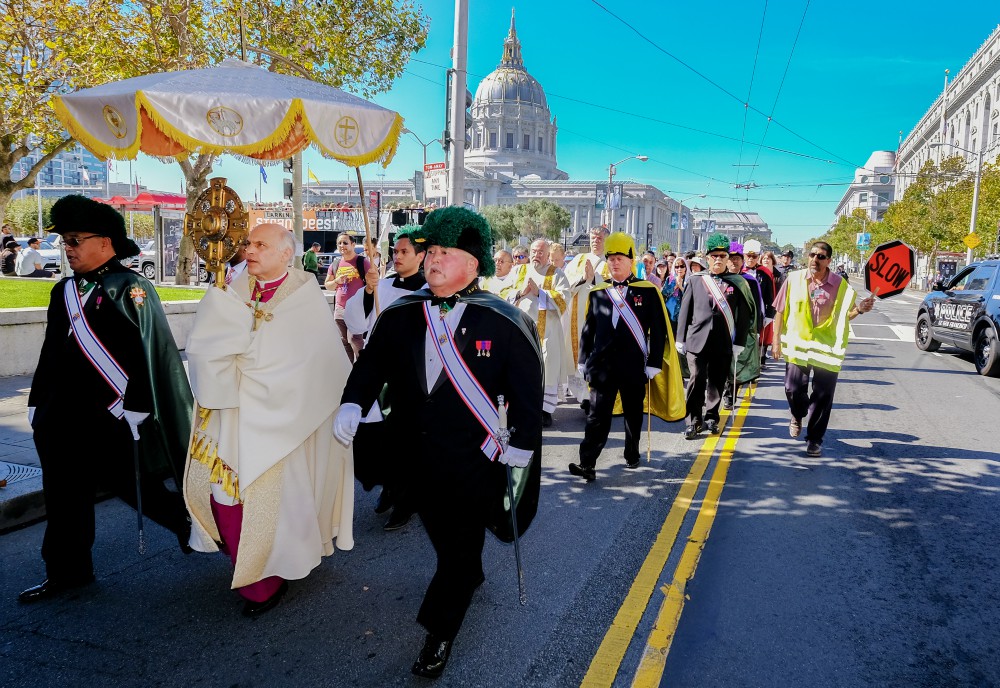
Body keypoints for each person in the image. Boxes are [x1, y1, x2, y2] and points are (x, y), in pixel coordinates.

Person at [332, 206, 543, 679]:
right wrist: (352, 402)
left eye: (446, 252)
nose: (433, 260)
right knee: (448, 541)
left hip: (474, 462)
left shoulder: (503, 321)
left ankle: (439, 632)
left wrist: (522, 446)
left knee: (458, 553)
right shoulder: (402, 313)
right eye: (432, 251)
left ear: (473, 264)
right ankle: (467, 571)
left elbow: (527, 395)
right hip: (413, 457)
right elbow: (371, 367)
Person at [20, 195, 193, 603]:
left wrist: (137, 404)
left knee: (136, 486)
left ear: (106, 241)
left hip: (112, 414)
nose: (69, 248)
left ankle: (190, 526)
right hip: (61, 417)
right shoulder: (62, 292)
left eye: (75, 239)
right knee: (63, 498)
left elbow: (148, 350)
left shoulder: (130, 286)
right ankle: (67, 571)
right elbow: (51, 352)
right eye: (65, 240)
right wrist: (37, 400)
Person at [183, 222, 355, 617]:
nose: (250, 249)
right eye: (247, 243)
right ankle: (248, 566)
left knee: (281, 504)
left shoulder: (304, 295)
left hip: (284, 422)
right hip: (232, 415)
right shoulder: (232, 288)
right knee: (226, 497)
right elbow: (210, 348)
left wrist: (246, 359)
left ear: (285, 253)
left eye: (261, 244)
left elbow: (313, 362)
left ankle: (269, 579)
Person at [344, 225, 427, 532]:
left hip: (411, 377)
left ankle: (406, 500)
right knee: (375, 440)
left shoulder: (430, 291)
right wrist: (368, 291)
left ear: (421, 255)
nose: (398, 256)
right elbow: (356, 321)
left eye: (405, 251)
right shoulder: (383, 283)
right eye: (395, 251)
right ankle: (388, 487)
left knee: (406, 442)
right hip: (380, 372)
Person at [569, 233, 670, 482]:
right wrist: (583, 359)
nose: (614, 263)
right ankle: (587, 463)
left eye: (619, 258)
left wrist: (654, 363)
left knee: (633, 413)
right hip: (602, 366)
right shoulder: (599, 292)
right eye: (611, 259)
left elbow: (658, 331)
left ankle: (632, 452)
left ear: (630, 260)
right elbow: (588, 329)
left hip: (633, 365)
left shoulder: (647, 292)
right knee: (596, 416)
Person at [772, 241, 875, 457]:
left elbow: (847, 316)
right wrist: (775, 341)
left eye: (820, 257)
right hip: (797, 347)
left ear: (828, 261)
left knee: (823, 396)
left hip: (827, 350)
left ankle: (815, 439)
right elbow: (780, 311)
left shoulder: (841, 285)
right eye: (812, 255)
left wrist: (860, 309)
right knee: (793, 389)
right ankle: (797, 414)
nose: (815, 260)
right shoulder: (794, 279)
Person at [675, 233, 754, 441]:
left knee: (717, 382)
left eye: (722, 255)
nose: (718, 259)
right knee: (696, 379)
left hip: (723, 341)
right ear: (707, 258)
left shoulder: (737, 283)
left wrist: (739, 343)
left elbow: (744, 316)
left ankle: (711, 417)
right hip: (696, 340)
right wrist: (680, 338)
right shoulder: (696, 280)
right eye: (714, 256)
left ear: (728, 258)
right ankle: (692, 421)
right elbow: (685, 310)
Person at [501, 237, 571, 426]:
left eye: (541, 252)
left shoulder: (556, 274)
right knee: (520, 368)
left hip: (547, 331)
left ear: (548, 255)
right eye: (533, 251)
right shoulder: (518, 270)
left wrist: (540, 293)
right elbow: (503, 293)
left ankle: (544, 411)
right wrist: (520, 292)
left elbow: (564, 298)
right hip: (520, 329)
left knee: (546, 367)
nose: (536, 255)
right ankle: (521, 407)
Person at [561, 227, 612, 403]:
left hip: (601, 314)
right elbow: (566, 284)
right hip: (578, 314)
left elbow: (614, 286)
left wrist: (595, 278)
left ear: (606, 240)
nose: (595, 240)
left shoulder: (610, 260)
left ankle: (592, 395)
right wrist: (584, 278)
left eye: (599, 238)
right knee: (580, 352)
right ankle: (583, 396)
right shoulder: (578, 260)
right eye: (593, 237)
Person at [722, 241, 762, 409]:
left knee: (737, 362)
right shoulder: (718, 279)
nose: (734, 261)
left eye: (738, 258)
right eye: (731, 258)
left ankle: (731, 392)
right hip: (722, 327)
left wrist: (756, 329)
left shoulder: (750, 282)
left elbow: (756, 307)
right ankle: (724, 389)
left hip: (741, 328)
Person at [325, 232, 370, 362]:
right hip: (339, 309)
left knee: (354, 339)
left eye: (345, 242)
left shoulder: (362, 262)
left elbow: (373, 283)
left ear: (353, 244)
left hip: (356, 309)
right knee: (344, 342)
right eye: (339, 243)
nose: (342, 245)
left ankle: (363, 367)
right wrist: (336, 281)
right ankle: (348, 371)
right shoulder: (336, 264)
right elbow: (328, 285)